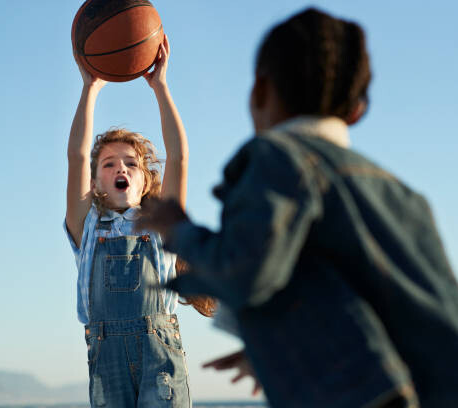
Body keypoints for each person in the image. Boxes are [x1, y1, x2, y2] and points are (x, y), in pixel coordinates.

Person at [137, 8, 458, 408]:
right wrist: (278, 346)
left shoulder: (279, 158)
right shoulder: (403, 195)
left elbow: (247, 271)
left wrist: (179, 229)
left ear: (260, 92)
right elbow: (385, 306)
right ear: (358, 109)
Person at [65, 35, 195, 407]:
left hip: (162, 362)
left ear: (145, 180)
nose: (120, 167)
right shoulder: (85, 226)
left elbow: (179, 157)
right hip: (108, 364)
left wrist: (161, 87)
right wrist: (90, 87)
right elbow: (76, 156)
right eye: (109, 163)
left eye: (131, 163)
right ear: (95, 184)